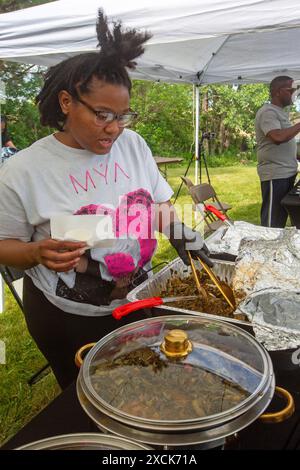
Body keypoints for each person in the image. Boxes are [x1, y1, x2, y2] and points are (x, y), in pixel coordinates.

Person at [0, 10, 212, 390]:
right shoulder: (23, 171)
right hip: (67, 315)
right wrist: (35, 254)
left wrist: (184, 235)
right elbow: (3, 245)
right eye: (102, 114)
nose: (114, 128)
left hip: (136, 296)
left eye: (122, 116)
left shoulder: (132, 144)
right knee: (88, 394)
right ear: (66, 102)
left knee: (146, 384)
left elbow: (158, 206)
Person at [255, 75, 300, 228]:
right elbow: (277, 137)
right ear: (277, 91)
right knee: (272, 222)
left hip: (286, 172)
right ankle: (265, 249)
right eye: (290, 90)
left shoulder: (281, 112)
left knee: (281, 217)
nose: (294, 93)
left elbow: (287, 140)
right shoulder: (268, 112)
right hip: (276, 175)